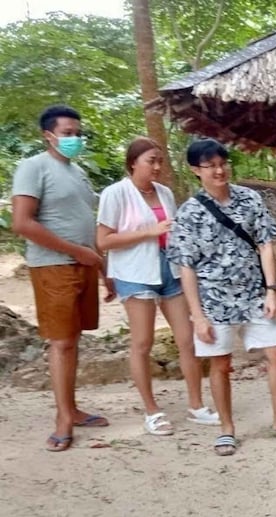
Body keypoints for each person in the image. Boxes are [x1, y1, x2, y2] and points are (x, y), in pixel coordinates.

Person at [167, 138, 276, 456]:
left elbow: (265, 244)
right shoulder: (189, 213)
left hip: (253, 295)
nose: (219, 170)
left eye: (223, 163)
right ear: (195, 170)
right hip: (213, 300)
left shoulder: (250, 200)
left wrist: (272, 290)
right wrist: (197, 315)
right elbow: (186, 267)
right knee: (220, 364)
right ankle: (227, 428)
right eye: (210, 165)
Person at [96, 137, 219, 435]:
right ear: (133, 163)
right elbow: (103, 240)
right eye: (151, 160)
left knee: (187, 339)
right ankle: (152, 411)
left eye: (160, 161)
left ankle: (196, 405)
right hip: (134, 271)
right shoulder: (115, 194)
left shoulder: (164, 193)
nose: (157, 166)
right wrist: (148, 231)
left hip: (170, 268)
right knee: (142, 342)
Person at [11, 105, 116, 452]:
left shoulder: (78, 172)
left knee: (73, 339)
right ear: (48, 134)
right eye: (68, 133)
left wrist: (102, 268)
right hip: (53, 265)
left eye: (77, 133)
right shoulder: (33, 167)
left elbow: (86, 223)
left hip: (84, 264)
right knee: (61, 342)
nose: (74, 139)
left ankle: (71, 408)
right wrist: (75, 251)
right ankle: (62, 418)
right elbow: (23, 223)